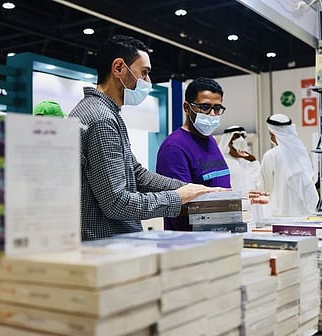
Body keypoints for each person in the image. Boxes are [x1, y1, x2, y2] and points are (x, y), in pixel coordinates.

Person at [69, 35, 223, 240]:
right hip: (107, 244)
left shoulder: (104, 113)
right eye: (145, 73)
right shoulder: (102, 119)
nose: (148, 82)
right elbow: (116, 203)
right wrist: (177, 197)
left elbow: (137, 174)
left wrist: (192, 189)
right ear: (118, 69)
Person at [156, 77, 231, 231]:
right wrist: (227, 205)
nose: (212, 114)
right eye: (204, 107)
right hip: (188, 242)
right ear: (187, 107)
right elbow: (177, 204)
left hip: (218, 236)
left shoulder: (211, 141)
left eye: (217, 108)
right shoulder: (174, 147)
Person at [261, 113, 319, 217]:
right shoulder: (301, 152)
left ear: (272, 134)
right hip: (303, 214)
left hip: (279, 214)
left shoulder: (270, 156)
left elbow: (267, 188)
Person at [217, 126, 263, 192]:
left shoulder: (247, 160)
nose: (241, 139)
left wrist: (252, 160)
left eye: (242, 136)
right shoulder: (222, 160)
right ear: (228, 141)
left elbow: (257, 182)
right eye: (237, 136)